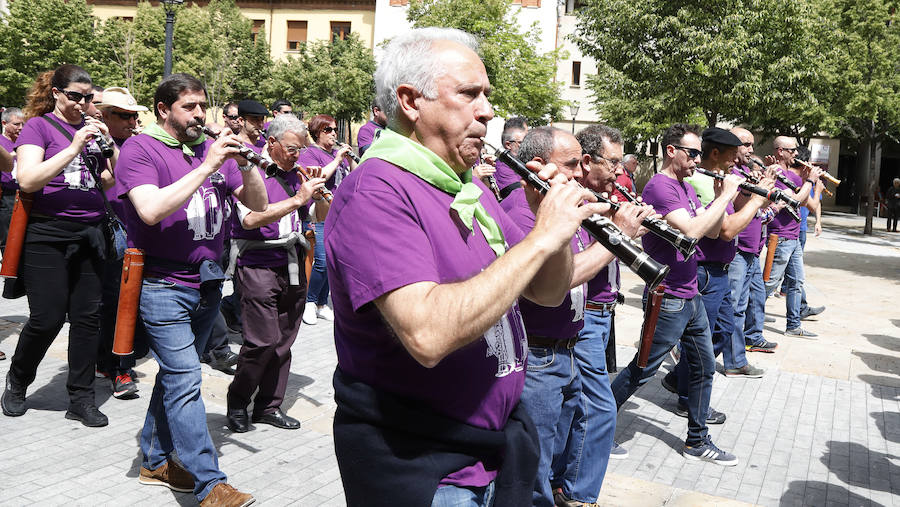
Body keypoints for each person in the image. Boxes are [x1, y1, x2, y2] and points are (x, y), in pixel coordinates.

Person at [325, 27, 604, 506]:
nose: (488, 111)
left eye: (487, 96)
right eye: (471, 95)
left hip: (487, 449)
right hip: (427, 467)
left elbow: (547, 292)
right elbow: (428, 335)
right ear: (411, 102)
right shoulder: (378, 190)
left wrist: (554, 228)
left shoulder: (462, 185)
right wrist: (540, 238)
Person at [114, 72, 266, 506]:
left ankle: (154, 460)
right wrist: (207, 167)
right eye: (190, 107)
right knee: (186, 380)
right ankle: (208, 483)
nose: (201, 114)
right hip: (162, 283)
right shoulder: (141, 149)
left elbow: (255, 204)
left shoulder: (208, 148)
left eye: (203, 106)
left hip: (207, 282)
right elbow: (149, 209)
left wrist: (249, 164)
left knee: (174, 379)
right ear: (164, 110)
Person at [513, 125, 648, 507]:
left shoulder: (561, 204)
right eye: (572, 165)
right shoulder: (523, 207)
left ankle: (568, 494)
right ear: (538, 165)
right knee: (535, 464)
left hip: (564, 345)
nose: (580, 173)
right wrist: (616, 237)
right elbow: (560, 279)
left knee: (555, 449)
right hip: (539, 353)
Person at [610, 123, 741, 466]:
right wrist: (728, 195)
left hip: (690, 293)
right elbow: (694, 231)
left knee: (703, 367)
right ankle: (595, 426)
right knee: (642, 370)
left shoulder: (686, 187)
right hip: (668, 297)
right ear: (672, 151)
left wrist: (717, 197)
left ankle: (697, 441)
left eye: (699, 153)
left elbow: (712, 231)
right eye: (693, 153)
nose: (698, 159)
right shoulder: (661, 187)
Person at [1, 64, 116, 427]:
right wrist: (75, 145)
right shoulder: (38, 126)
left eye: (88, 98)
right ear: (56, 93)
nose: (83, 103)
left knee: (87, 319)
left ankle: (81, 398)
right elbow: (29, 179)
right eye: (75, 96)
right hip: (47, 233)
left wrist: (109, 149)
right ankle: (18, 381)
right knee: (47, 317)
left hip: (90, 233)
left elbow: (109, 183)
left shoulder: (91, 128)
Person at [552, 124, 645, 506]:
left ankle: (564, 482)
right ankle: (576, 494)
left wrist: (632, 229)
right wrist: (617, 232)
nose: (619, 170)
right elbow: (573, 262)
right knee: (599, 408)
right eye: (613, 162)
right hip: (583, 313)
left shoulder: (605, 194)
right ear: (587, 162)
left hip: (602, 310)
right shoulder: (574, 202)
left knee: (578, 407)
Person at [662, 128, 773, 429]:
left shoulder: (721, 178)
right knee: (702, 342)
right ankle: (688, 400)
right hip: (707, 270)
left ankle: (677, 378)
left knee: (723, 331)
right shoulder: (701, 181)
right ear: (717, 154)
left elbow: (735, 213)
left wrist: (754, 193)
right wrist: (754, 203)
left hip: (722, 269)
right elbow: (724, 229)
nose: (739, 158)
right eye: (734, 153)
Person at [225, 113, 326, 433]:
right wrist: (298, 198)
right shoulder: (250, 169)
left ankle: (269, 406)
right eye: (293, 149)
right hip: (258, 263)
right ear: (272, 143)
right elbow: (251, 220)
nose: (299, 155)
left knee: (284, 340)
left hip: (292, 262)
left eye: (300, 149)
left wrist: (318, 195)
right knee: (261, 340)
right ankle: (238, 401)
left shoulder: (297, 173)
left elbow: (316, 214)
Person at [94, 86, 149, 399]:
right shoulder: (93, 142)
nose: (131, 121)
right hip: (109, 234)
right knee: (115, 304)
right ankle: (120, 369)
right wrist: (104, 142)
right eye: (123, 116)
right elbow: (110, 179)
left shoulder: (140, 144)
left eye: (134, 115)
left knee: (127, 304)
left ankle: (112, 361)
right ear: (105, 116)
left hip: (138, 232)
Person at [297, 113, 357, 325]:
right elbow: (318, 178)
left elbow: (353, 180)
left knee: (333, 263)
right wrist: (338, 158)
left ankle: (322, 303)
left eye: (334, 130)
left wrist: (349, 161)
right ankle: (310, 302)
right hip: (319, 214)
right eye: (327, 130)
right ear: (316, 133)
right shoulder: (310, 153)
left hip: (340, 215)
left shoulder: (335, 156)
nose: (333, 134)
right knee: (321, 261)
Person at [763, 136, 823, 338]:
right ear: (780, 151)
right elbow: (793, 201)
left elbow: (808, 204)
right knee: (770, 283)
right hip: (778, 238)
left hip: (794, 237)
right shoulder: (773, 174)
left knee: (796, 282)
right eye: (792, 150)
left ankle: (793, 326)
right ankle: (748, 316)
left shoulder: (794, 176)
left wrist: (811, 182)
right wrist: (809, 181)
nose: (796, 154)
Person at [728, 128, 779, 354]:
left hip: (752, 248)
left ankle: (749, 341)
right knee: (734, 307)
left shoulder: (744, 171)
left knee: (753, 300)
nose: (751, 149)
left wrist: (769, 187)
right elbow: (741, 206)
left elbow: (761, 206)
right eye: (746, 144)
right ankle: (735, 359)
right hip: (738, 249)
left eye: (752, 145)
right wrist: (760, 188)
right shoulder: (733, 174)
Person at [0, 107, 23, 248]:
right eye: (16, 124)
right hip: (7, 197)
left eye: (22, 124)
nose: (20, 128)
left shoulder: (26, 142)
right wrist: (10, 156)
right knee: (8, 240)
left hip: (25, 193)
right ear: (4, 123)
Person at [493, 117, 528, 199]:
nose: (527, 145)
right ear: (508, 145)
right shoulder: (501, 166)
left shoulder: (523, 162)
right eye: (522, 142)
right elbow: (518, 194)